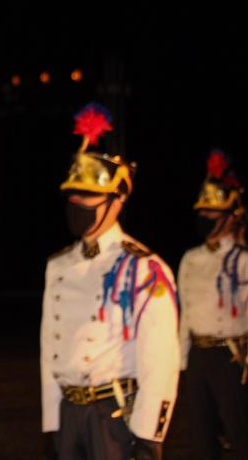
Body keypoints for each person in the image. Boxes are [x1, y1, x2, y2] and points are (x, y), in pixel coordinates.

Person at [40, 104, 179, 460]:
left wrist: (149, 436)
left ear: (117, 200)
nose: (76, 203)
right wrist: (52, 422)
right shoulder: (59, 265)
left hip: (115, 417)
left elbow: (159, 359)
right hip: (69, 414)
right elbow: (50, 350)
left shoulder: (144, 268)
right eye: (72, 195)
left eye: (87, 196)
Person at [178, 150, 248, 460]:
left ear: (230, 216)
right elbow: (185, 314)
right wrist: (182, 363)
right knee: (202, 440)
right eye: (202, 211)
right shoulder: (190, 258)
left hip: (232, 358)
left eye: (211, 212)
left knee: (241, 434)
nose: (203, 217)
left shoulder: (244, 261)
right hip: (198, 357)